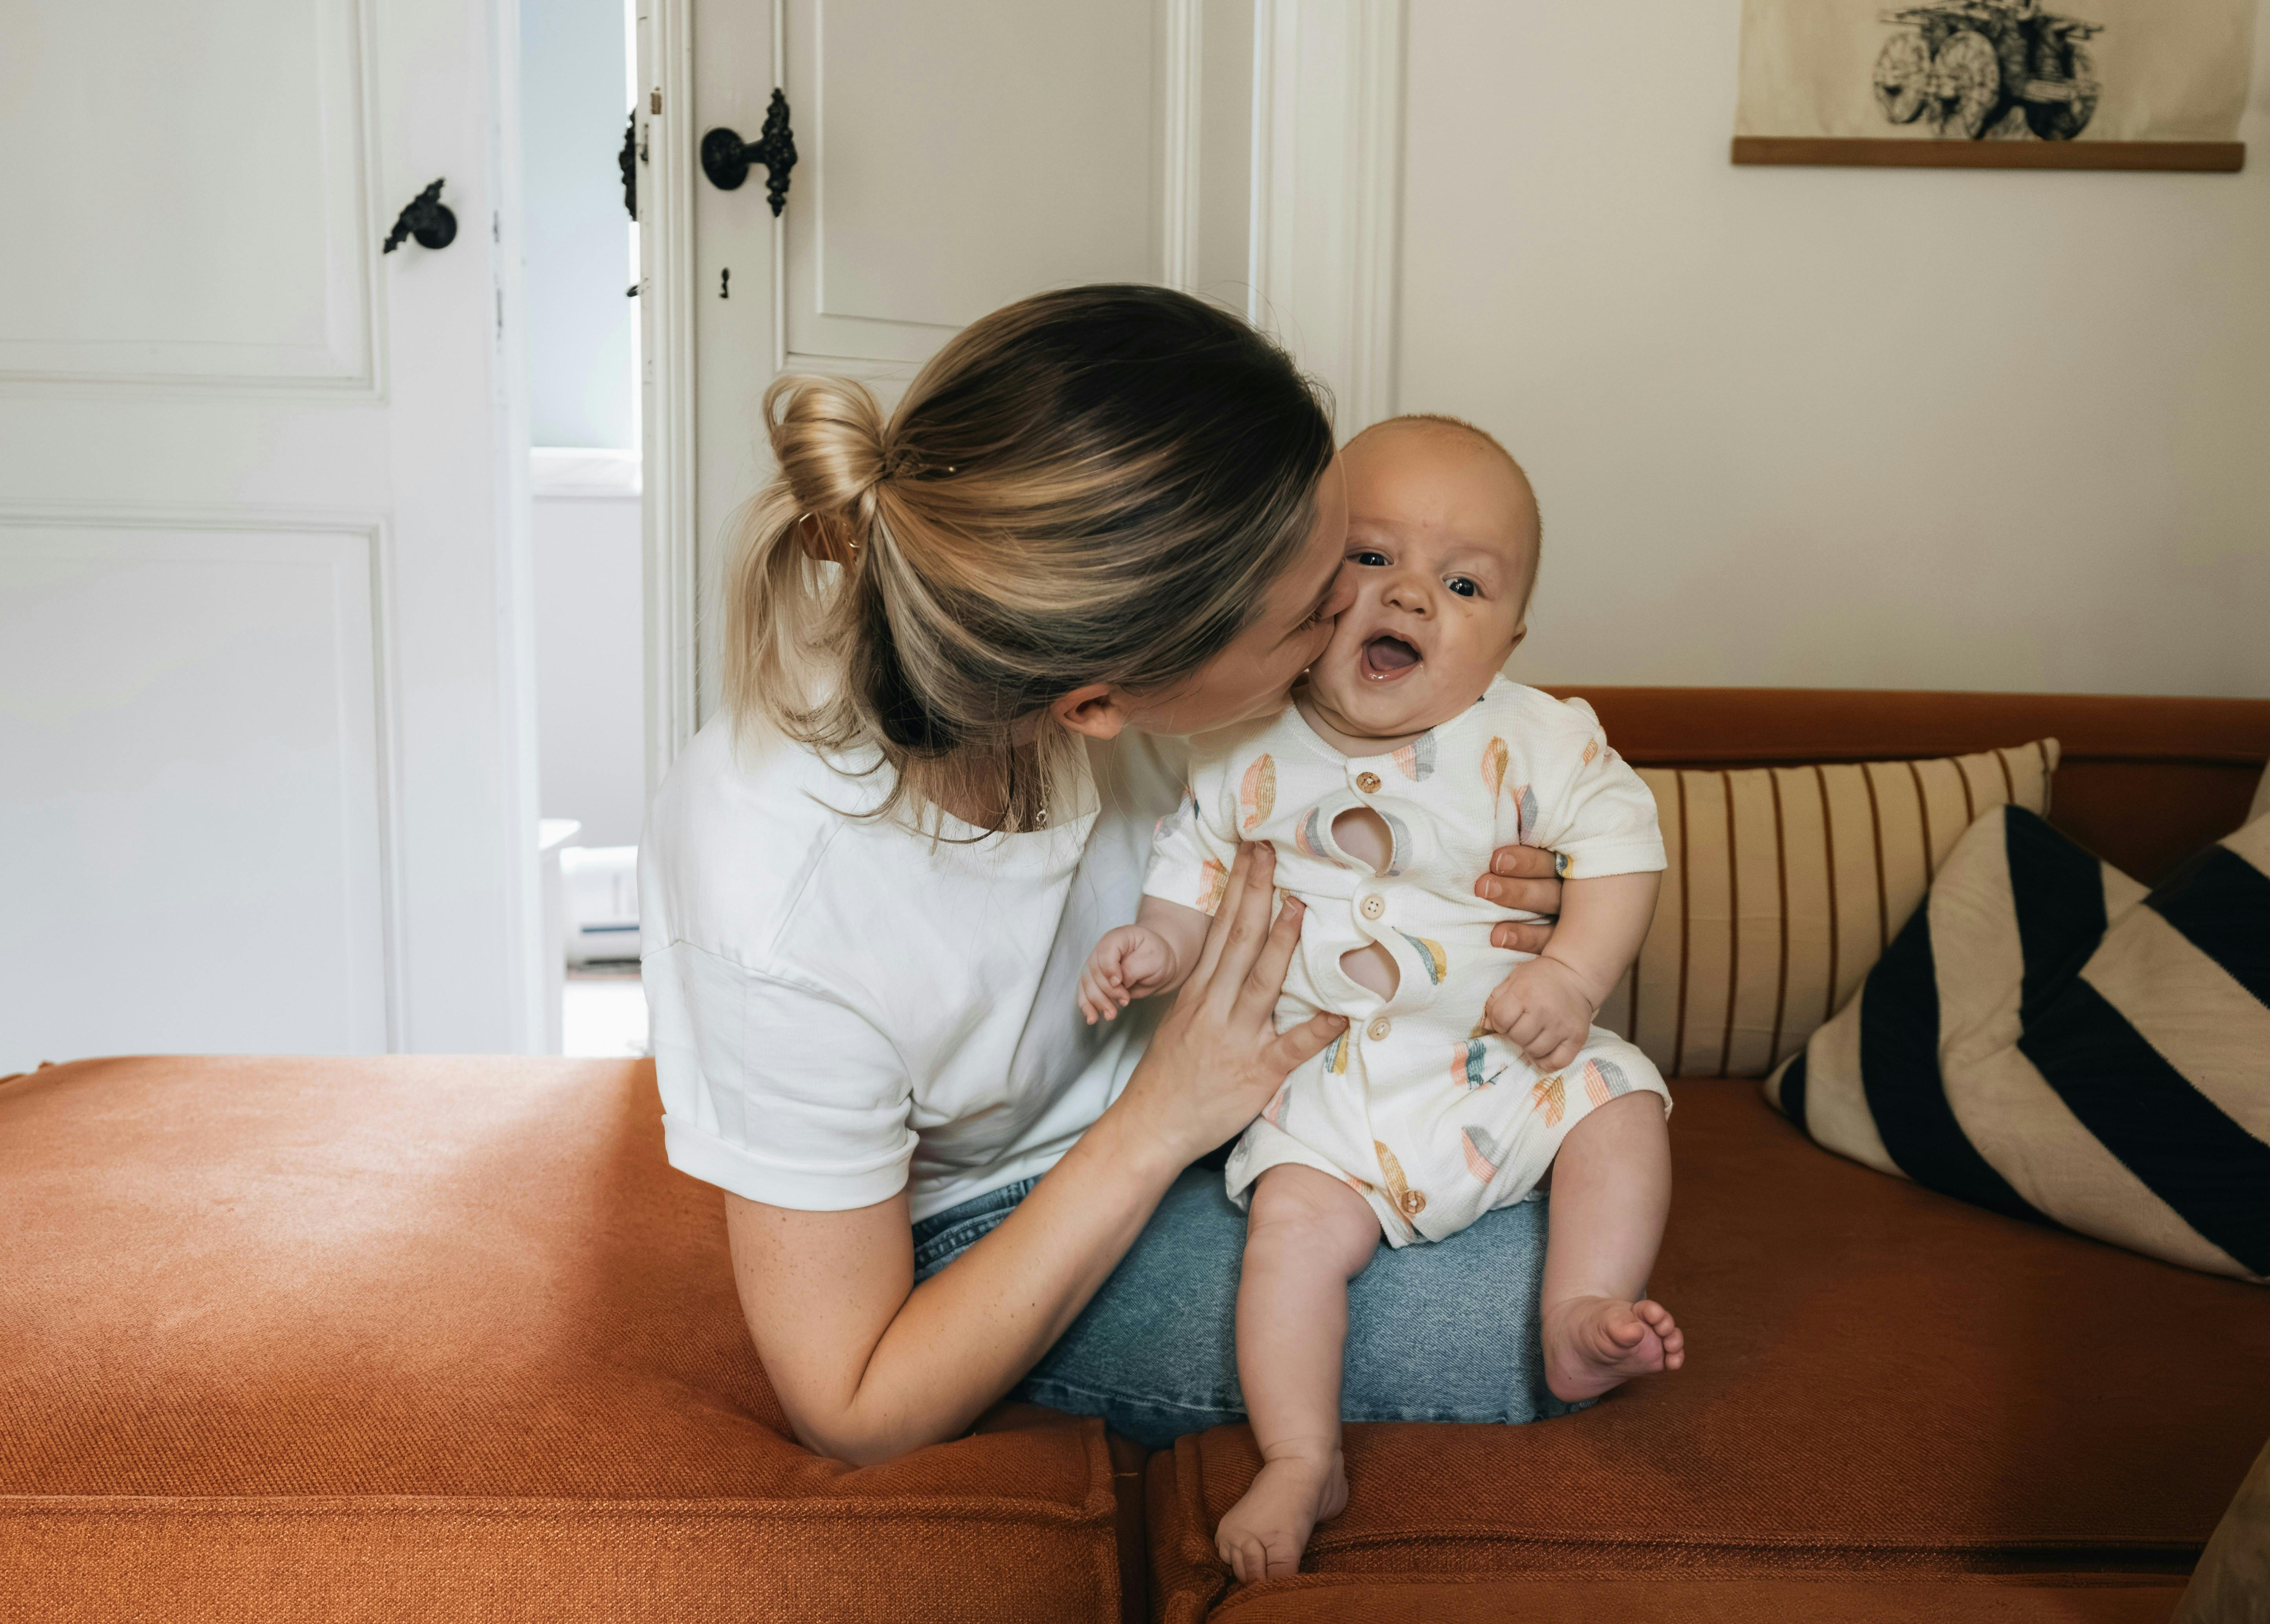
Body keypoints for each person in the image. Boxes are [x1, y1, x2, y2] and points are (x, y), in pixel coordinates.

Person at [640, 286, 1569, 1483]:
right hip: (1003, 1221)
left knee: (1591, 1215)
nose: (1356, 614)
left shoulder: (1082, 624)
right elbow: (853, 1408)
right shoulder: (780, 900)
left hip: (1248, 1109)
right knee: (1530, 1327)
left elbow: (1432, 736)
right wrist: (1162, 1119)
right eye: (1309, 617)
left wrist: (1488, 873)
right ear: (1097, 708)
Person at [1080, 415, 1682, 1580]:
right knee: (1292, 1232)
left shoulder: (1539, 739)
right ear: (1302, 588)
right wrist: (1155, 948)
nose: (1410, 595)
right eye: (1371, 558)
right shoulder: (1242, 741)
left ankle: (1585, 1314)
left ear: (1508, 638)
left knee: (1621, 1103)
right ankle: (1301, 1455)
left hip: (1503, 1066)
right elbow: (1191, 872)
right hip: (1328, 1093)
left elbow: (1624, 843)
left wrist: (1573, 975)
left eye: (1462, 583)